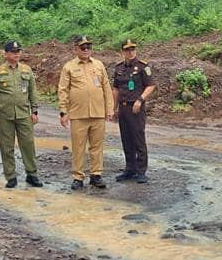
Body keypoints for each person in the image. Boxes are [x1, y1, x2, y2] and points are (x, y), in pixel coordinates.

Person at [57, 35, 114, 190]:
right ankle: (78, 177)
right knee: (78, 147)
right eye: (83, 47)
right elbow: (63, 90)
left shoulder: (99, 65)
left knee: (97, 146)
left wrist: (109, 108)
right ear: (75, 49)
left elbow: (106, 87)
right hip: (78, 114)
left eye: (89, 47)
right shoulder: (69, 67)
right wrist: (63, 112)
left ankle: (96, 175)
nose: (86, 50)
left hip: (97, 113)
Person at [0, 40, 42, 189]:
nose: (17, 54)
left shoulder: (26, 70)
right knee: (6, 146)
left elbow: (32, 91)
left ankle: (32, 174)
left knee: (28, 145)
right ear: (6, 54)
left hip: (24, 114)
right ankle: (11, 176)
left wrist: (35, 111)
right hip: (5, 115)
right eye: (13, 52)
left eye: (18, 51)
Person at [110, 39, 157, 183]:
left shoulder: (143, 66)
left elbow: (151, 85)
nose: (130, 52)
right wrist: (114, 108)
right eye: (127, 50)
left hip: (136, 108)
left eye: (133, 49)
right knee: (126, 139)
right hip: (123, 108)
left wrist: (140, 99)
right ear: (122, 52)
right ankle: (130, 169)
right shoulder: (118, 68)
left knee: (138, 139)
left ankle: (141, 170)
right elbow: (116, 89)